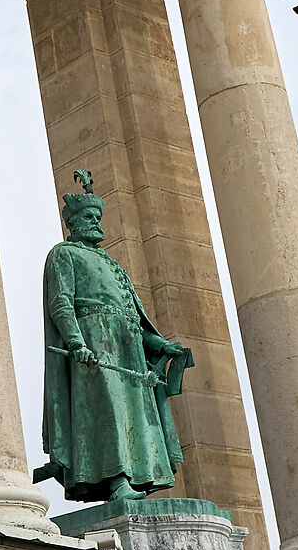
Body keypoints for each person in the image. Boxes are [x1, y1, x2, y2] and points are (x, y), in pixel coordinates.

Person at [37, 174, 194, 502]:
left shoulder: (111, 263)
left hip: (127, 350)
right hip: (96, 347)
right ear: (73, 223)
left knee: (135, 413)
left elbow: (134, 318)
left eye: (98, 217)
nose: (96, 222)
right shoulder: (63, 254)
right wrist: (77, 342)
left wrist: (160, 344)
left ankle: (137, 477)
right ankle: (116, 479)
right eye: (88, 217)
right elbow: (61, 303)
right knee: (109, 411)